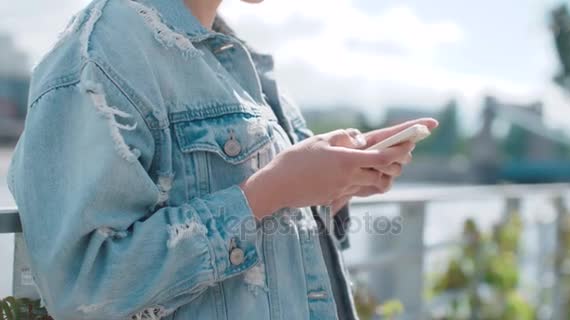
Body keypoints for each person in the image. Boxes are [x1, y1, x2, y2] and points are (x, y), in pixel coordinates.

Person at [7, 0, 438, 319]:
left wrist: (331, 190)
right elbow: (83, 285)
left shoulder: (237, 61)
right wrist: (270, 191)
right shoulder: (100, 55)